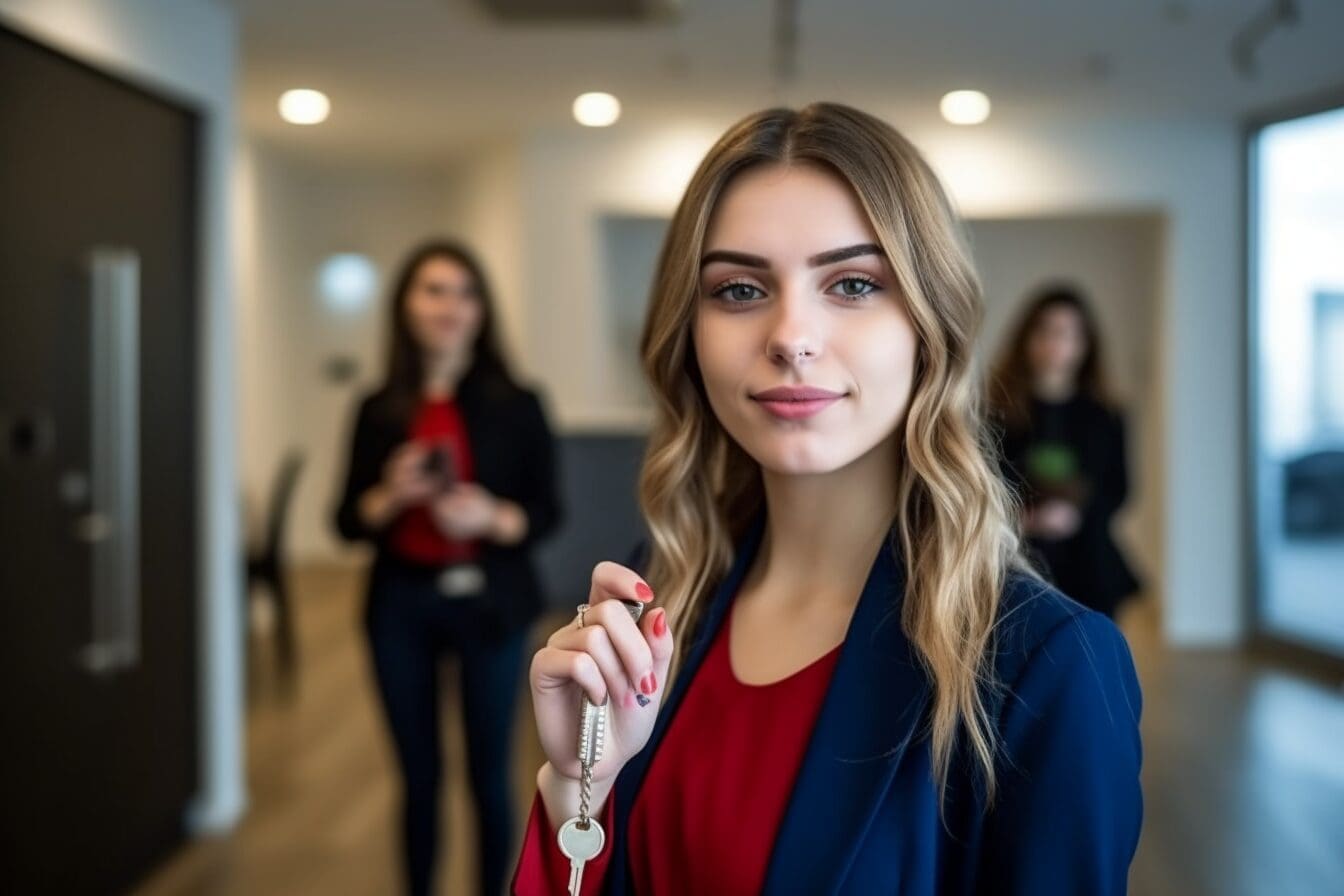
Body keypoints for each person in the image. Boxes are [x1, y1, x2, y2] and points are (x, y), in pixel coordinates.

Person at [510, 103, 1143, 895]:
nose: (792, 335)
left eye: (852, 283)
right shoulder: (665, 602)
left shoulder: (1047, 665)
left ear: (929, 325)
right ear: (689, 335)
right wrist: (580, 790)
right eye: (740, 289)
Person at [333, 240, 561, 896]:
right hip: (400, 603)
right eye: (434, 290)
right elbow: (347, 520)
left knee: (490, 774)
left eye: (465, 292)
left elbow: (546, 512)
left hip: (491, 601)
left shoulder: (519, 402)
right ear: (405, 305)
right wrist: (391, 495)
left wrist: (490, 517)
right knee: (419, 777)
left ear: (483, 309)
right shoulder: (378, 408)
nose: (450, 306)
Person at [989, 284, 1142, 619]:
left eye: (1069, 334)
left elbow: (1119, 489)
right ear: (1027, 338)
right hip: (1017, 562)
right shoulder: (993, 410)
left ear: (1086, 345)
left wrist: (1073, 515)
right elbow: (982, 485)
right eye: (1047, 331)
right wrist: (1023, 519)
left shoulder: (1106, 415)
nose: (1057, 344)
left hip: (1090, 563)